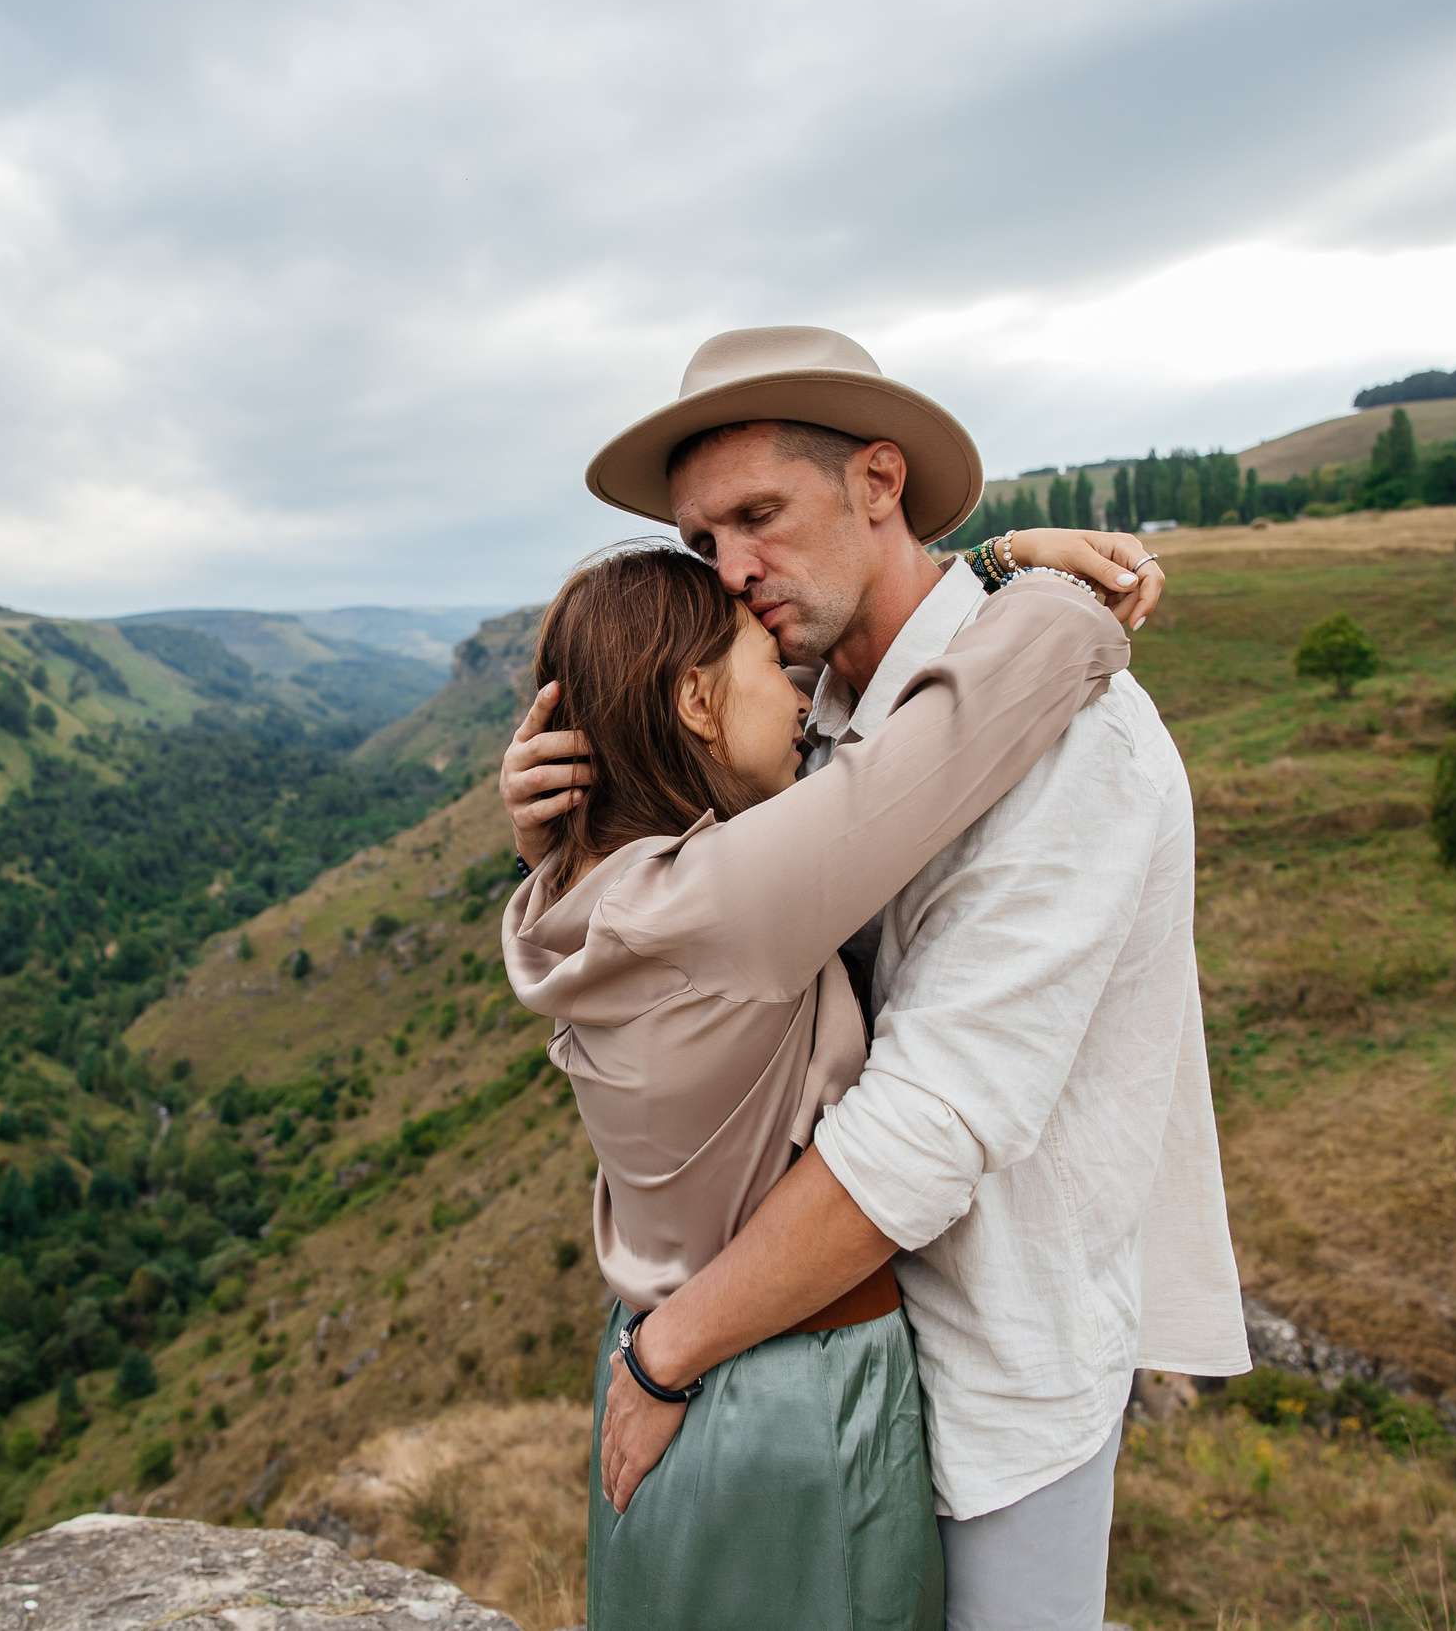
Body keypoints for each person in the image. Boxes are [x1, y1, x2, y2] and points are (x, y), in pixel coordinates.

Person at [503, 327, 1250, 1631]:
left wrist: (667, 1351)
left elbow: (929, 1122)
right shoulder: (803, 724)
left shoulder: (1078, 746)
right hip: (809, 1365)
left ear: (878, 484)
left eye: (757, 516)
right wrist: (570, 823)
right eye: (702, 543)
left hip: (987, 1376)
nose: (733, 572)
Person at [507, 545, 1127, 1630]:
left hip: (655, 1362)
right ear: (696, 699)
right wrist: (1026, 569)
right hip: (791, 1384)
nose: (801, 694)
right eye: (764, 662)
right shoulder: (725, 900)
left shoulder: (566, 898)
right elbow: (981, 712)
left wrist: (541, 836)